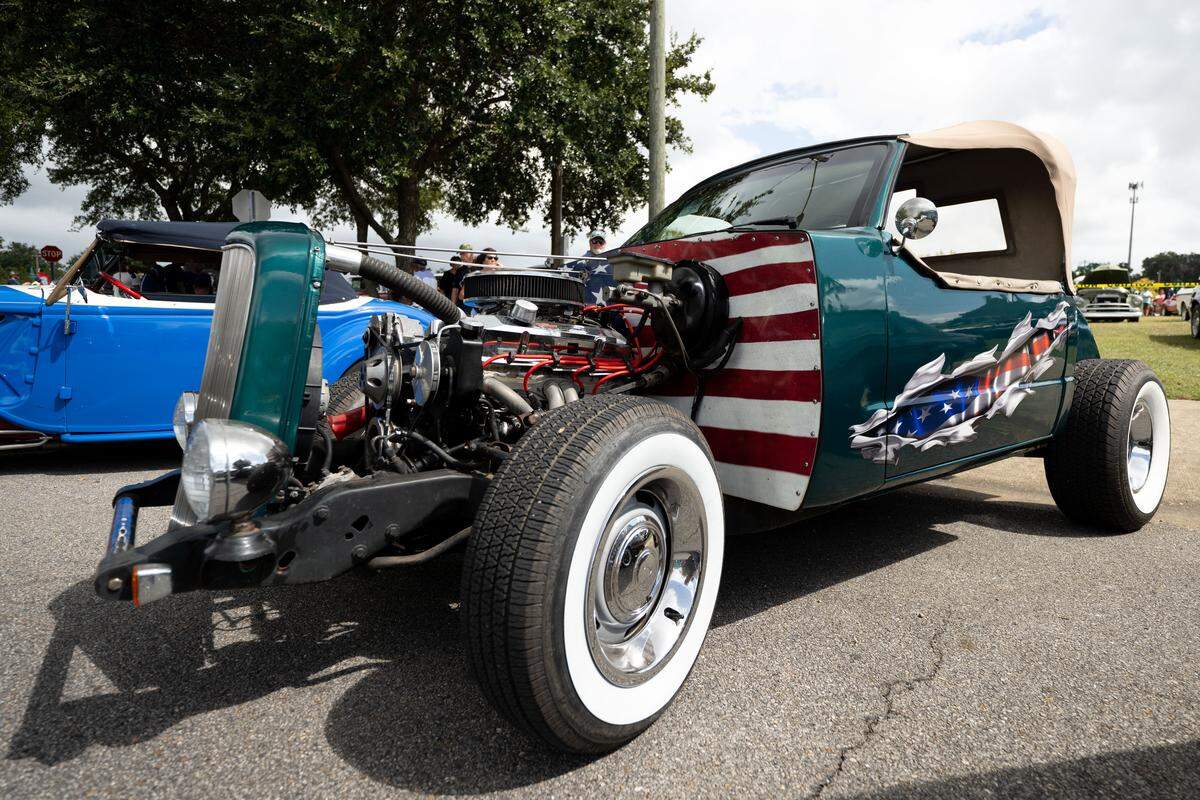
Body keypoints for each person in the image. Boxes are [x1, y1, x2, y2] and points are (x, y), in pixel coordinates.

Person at [570, 230, 614, 304]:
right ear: (590, 242)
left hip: (605, 300)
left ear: (604, 244)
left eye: (601, 242)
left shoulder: (610, 261)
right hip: (586, 300)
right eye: (595, 241)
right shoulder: (581, 261)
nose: (598, 244)